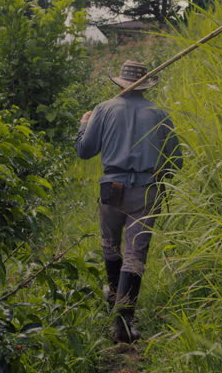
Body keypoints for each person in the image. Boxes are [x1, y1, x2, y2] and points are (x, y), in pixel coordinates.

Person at [75, 60, 183, 343]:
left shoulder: (103, 109)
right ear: (146, 85)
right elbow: (177, 160)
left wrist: (84, 125)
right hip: (147, 190)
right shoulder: (159, 114)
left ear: (120, 82)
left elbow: (85, 151)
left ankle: (114, 298)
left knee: (110, 244)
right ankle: (122, 324)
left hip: (111, 186)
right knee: (135, 255)